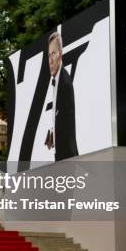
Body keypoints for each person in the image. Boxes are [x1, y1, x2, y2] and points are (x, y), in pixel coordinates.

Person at [44, 32, 78, 161]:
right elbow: (60, 116)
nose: (51, 59)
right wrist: (52, 133)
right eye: (49, 55)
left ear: (61, 54)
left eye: (54, 53)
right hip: (61, 155)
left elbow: (68, 126)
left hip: (67, 156)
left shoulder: (64, 82)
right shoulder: (57, 80)